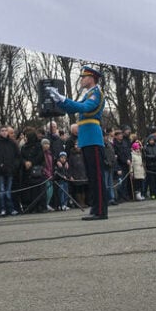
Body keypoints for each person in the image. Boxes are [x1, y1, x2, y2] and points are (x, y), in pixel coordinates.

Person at [47, 66, 108, 220]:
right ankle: (96, 208)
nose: (81, 80)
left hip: (93, 137)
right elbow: (73, 108)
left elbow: (83, 107)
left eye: (83, 77)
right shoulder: (88, 94)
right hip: (87, 138)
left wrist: (63, 99)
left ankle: (101, 210)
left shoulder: (96, 93)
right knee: (92, 176)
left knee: (97, 176)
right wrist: (59, 101)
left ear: (91, 78)